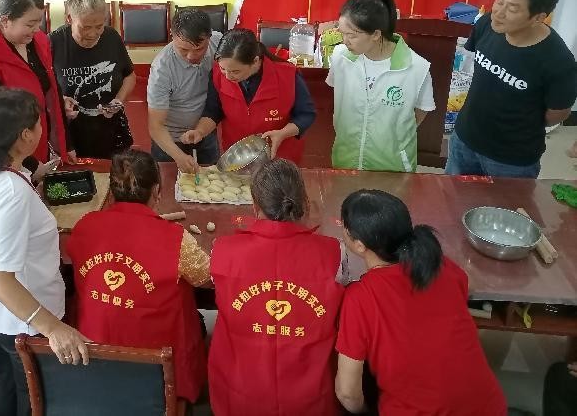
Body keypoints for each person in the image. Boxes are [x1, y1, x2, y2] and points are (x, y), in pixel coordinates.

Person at [0, 87, 89, 416]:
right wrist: (53, 328)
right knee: (32, 400)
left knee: (9, 384)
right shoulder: (11, 191)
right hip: (22, 320)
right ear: (25, 136)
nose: (42, 128)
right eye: (38, 123)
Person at [335, 189, 507, 415]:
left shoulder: (360, 297)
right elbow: (467, 284)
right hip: (489, 407)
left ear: (359, 245)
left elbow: (347, 393)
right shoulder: (439, 265)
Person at [66, 149, 209, 407]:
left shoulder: (85, 225)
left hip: (96, 348)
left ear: (112, 191)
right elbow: (204, 276)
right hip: (157, 361)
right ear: (156, 191)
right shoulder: (176, 239)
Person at [209, 159, 347, 416]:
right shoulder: (334, 253)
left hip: (240, 395)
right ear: (303, 201)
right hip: (310, 398)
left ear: (255, 205)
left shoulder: (222, 250)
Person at [446, 0, 577, 178]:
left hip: (511, 160)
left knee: (504, 201)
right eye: (500, 1)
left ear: (538, 18)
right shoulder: (486, 24)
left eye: (513, 8)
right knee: (451, 196)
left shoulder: (558, 61)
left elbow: (557, 113)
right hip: (464, 140)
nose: (499, 12)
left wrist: (517, 124)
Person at [328, 0, 435, 172]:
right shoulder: (341, 57)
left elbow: (420, 112)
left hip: (392, 166)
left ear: (376, 34)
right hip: (346, 160)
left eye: (352, 35)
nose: (345, 41)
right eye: (342, 33)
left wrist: (393, 137)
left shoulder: (416, 68)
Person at [0, 0, 72, 168]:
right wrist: (31, 166)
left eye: (38, 22)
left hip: (38, 138)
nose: (37, 29)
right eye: (30, 24)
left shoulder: (39, 41)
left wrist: (66, 144)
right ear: (5, 21)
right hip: (14, 157)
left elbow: (52, 89)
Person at [181, 29, 316, 163]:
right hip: (237, 157)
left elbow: (306, 114)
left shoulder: (287, 75)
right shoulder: (218, 74)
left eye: (235, 71)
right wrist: (200, 131)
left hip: (278, 155)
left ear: (255, 61)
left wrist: (282, 134)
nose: (227, 76)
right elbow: (213, 111)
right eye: (223, 69)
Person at [49, 0, 135, 158]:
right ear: (69, 18)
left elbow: (129, 76)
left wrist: (118, 101)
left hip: (109, 130)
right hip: (70, 133)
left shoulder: (111, 37)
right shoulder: (53, 42)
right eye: (86, 27)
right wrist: (59, 102)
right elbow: (41, 87)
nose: (93, 33)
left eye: (99, 26)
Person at [147, 9, 223, 172]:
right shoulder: (162, 69)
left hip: (205, 132)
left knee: (212, 180)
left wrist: (201, 131)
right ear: (172, 36)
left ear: (209, 37)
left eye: (199, 49)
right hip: (170, 142)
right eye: (183, 50)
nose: (191, 56)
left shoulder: (218, 42)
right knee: (169, 183)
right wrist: (178, 156)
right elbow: (156, 126)